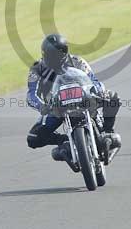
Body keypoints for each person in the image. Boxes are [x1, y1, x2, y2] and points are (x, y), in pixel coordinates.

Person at [26, 34, 121, 162]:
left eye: (57, 54)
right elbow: (31, 94)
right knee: (33, 138)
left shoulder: (78, 62)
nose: (53, 57)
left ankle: (107, 131)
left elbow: (94, 80)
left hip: (84, 99)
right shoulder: (37, 69)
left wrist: (100, 91)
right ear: (44, 54)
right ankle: (65, 142)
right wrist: (41, 105)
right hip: (56, 107)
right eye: (49, 54)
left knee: (113, 98)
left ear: (64, 52)